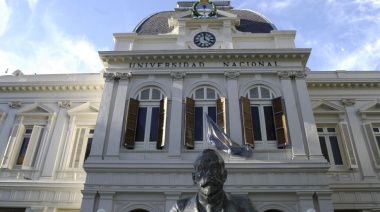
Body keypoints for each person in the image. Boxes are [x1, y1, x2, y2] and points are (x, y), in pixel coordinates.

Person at [170, 149, 257, 212]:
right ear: (194, 178)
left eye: (215, 168)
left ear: (224, 176)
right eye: (203, 168)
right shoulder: (180, 208)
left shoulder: (244, 206)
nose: (209, 173)